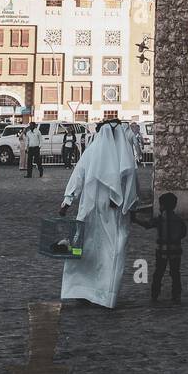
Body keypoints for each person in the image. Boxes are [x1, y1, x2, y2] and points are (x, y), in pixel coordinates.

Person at [58, 120, 139, 308]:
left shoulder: (101, 153)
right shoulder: (107, 153)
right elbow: (131, 185)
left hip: (109, 213)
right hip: (98, 212)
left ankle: (100, 293)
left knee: (107, 252)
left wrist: (67, 202)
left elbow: (78, 176)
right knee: (89, 250)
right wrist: (67, 201)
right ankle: (83, 290)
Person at [135, 192, 187, 304]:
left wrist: (134, 219)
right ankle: (176, 295)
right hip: (176, 251)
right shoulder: (179, 220)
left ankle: (155, 295)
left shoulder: (159, 219)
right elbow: (183, 233)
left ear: (162, 205)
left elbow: (147, 225)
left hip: (161, 250)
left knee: (158, 273)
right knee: (175, 273)